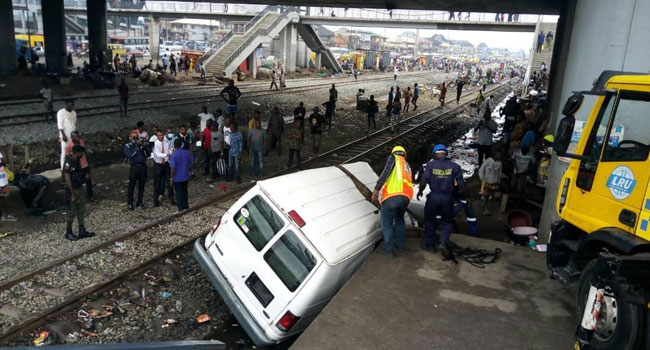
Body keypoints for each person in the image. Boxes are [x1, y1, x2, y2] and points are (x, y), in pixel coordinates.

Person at [417, 144, 464, 259]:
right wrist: (456, 195)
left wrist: (420, 191)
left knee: (429, 221)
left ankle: (430, 246)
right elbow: (461, 185)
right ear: (446, 154)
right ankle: (443, 242)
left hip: (433, 198)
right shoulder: (455, 166)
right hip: (448, 199)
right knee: (447, 222)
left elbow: (423, 181)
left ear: (435, 154)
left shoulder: (430, 165)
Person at [371, 146, 413, 257]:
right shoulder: (407, 166)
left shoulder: (393, 158)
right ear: (404, 154)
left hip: (392, 196)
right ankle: (400, 246)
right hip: (405, 198)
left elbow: (386, 172)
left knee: (387, 224)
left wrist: (377, 188)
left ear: (394, 153)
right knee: (400, 221)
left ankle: (388, 250)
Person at [62, 145, 95, 241]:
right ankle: (68, 232)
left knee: (81, 210)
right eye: (81, 153)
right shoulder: (68, 163)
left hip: (79, 188)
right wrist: (72, 194)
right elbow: (67, 179)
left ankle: (81, 230)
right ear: (76, 152)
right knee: (71, 212)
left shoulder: (77, 162)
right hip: (72, 190)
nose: (82, 154)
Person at [123, 129, 149, 210]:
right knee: (131, 186)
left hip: (142, 166)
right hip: (134, 167)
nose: (135, 139)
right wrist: (136, 148)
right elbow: (130, 155)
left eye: (136, 137)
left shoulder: (141, 145)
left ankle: (140, 202)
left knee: (142, 186)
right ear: (130, 138)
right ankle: (130, 203)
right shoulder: (128, 146)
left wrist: (143, 147)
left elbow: (147, 155)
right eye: (134, 137)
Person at [65, 131, 93, 200]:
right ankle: (75, 196)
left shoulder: (81, 142)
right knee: (77, 181)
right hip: (77, 167)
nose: (77, 138)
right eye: (76, 137)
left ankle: (90, 196)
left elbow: (84, 151)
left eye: (78, 136)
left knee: (88, 180)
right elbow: (67, 156)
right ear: (72, 138)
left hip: (84, 165)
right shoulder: (68, 146)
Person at [169, 139, 193, 212]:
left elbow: (172, 167)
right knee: (185, 191)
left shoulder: (174, 154)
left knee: (178, 193)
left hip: (177, 177)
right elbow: (192, 161)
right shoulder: (186, 152)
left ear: (174, 145)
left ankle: (181, 208)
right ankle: (186, 205)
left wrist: (171, 178)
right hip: (185, 175)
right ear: (181, 145)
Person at [478, 150, 503, 216]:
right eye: (499, 154)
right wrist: (482, 179)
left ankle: (483, 205)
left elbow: (499, 173)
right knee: (486, 195)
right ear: (494, 154)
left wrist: (498, 181)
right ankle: (485, 209)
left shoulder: (500, 163)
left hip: (494, 182)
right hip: (486, 182)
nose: (500, 156)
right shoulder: (488, 161)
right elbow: (481, 170)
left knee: (488, 195)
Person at [152, 130, 171, 207]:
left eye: (162, 135)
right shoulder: (155, 144)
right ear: (157, 136)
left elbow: (169, 150)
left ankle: (171, 198)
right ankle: (156, 200)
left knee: (169, 180)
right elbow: (158, 154)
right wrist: (167, 155)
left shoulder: (166, 143)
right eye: (159, 135)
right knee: (157, 183)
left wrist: (170, 153)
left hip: (166, 164)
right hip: (158, 164)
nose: (161, 137)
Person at [57, 99, 77, 170]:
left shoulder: (74, 113)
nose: (71, 107)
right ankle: (63, 167)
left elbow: (74, 124)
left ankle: (71, 166)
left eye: (72, 105)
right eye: (70, 105)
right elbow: (60, 126)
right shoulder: (60, 112)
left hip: (72, 135)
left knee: (72, 151)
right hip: (64, 135)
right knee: (64, 152)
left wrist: (75, 135)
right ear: (66, 105)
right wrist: (63, 136)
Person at [0, 151, 16, 222]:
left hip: (3, 181)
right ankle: (4, 215)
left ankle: (6, 215)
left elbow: (4, 162)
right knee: (2, 199)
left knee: (5, 198)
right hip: (1, 182)